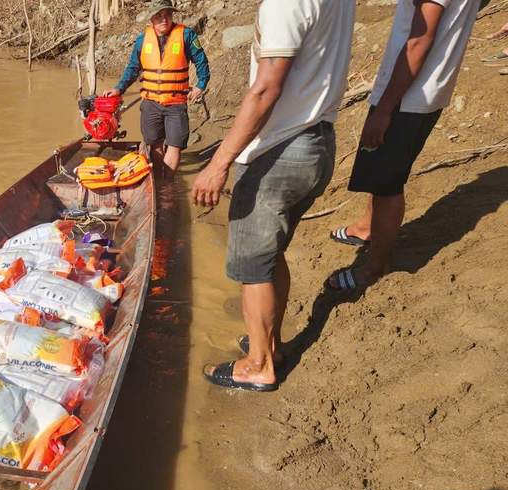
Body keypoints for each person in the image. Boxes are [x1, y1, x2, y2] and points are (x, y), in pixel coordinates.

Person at [191, 0, 355, 391]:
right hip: (316, 141)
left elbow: (266, 89)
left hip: (279, 150)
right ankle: (270, 345)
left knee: (253, 266)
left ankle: (259, 365)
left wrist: (219, 163)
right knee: (270, 255)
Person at [326, 0, 482, 291]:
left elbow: (419, 40)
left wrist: (385, 108)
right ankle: (367, 227)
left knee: (387, 185)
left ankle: (374, 267)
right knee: (381, 172)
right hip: (425, 89)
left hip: (408, 95)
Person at [103, 0, 210, 181]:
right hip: (151, 103)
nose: (164, 19)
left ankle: (167, 183)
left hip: (176, 103)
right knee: (155, 144)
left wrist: (200, 85)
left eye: (167, 15)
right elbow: (132, 68)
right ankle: (158, 181)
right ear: (151, 18)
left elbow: (201, 61)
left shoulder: (186, 35)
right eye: (159, 16)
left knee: (175, 145)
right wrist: (118, 89)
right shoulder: (142, 40)